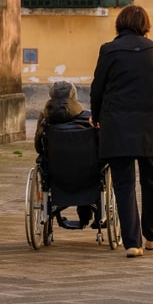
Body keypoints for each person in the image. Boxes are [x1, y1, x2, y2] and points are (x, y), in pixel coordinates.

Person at [90, 4, 153, 258]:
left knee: (124, 184)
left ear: (119, 24)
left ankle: (132, 243)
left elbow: (98, 87)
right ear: (145, 25)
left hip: (117, 125)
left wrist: (96, 115)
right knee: (152, 181)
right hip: (152, 126)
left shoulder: (109, 50)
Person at [34, 81, 95, 229]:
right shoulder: (88, 118)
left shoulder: (45, 121)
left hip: (57, 175)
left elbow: (38, 146)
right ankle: (87, 213)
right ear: (74, 96)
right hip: (88, 175)